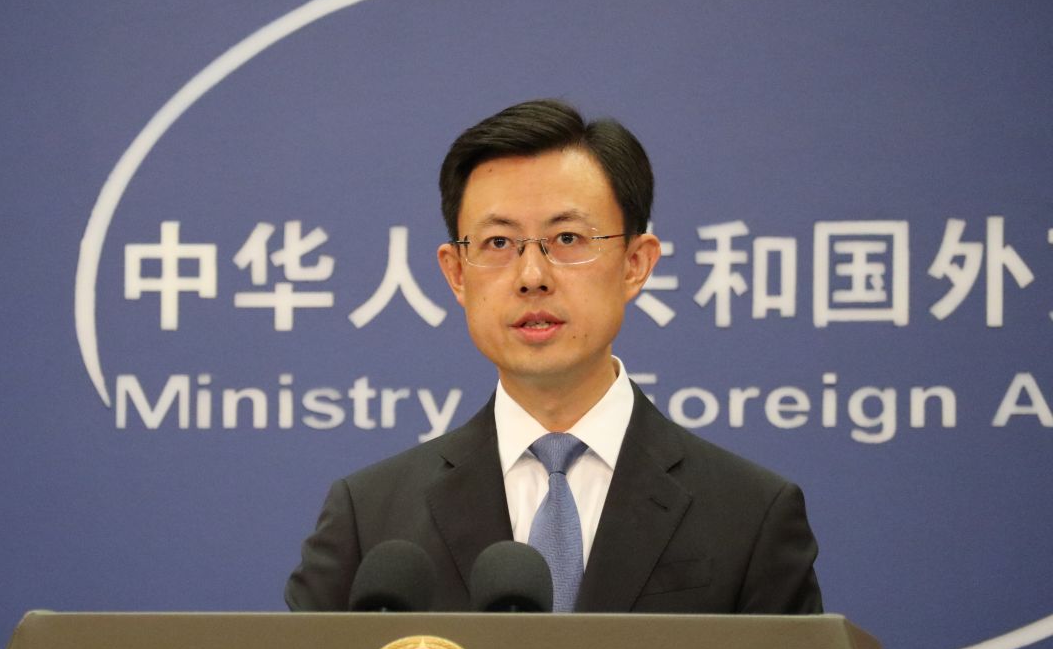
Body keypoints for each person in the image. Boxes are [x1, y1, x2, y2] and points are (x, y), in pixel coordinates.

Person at [285, 99, 822, 614]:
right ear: (456, 274)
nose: (532, 276)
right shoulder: (369, 519)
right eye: (498, 243)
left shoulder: (750, 516)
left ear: (636, 263)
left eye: (567, 238)